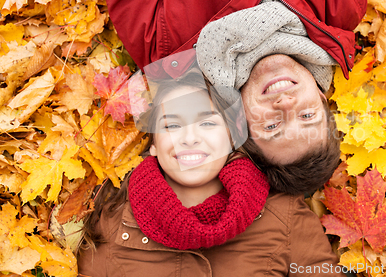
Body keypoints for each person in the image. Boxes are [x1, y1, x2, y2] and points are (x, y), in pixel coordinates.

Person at [92, 0, 368, 194]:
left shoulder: (162, 44)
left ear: (240, 123)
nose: (285, 104)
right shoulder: (344, 5)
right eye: (307, 115)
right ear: (321, 97)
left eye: (272, 126)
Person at [77, 55, 345, 276]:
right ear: (154, 145)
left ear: (231, 137)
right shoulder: (114, 224)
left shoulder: (283, 215)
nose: (190, 137)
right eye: (172, 125)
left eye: (207, 123)